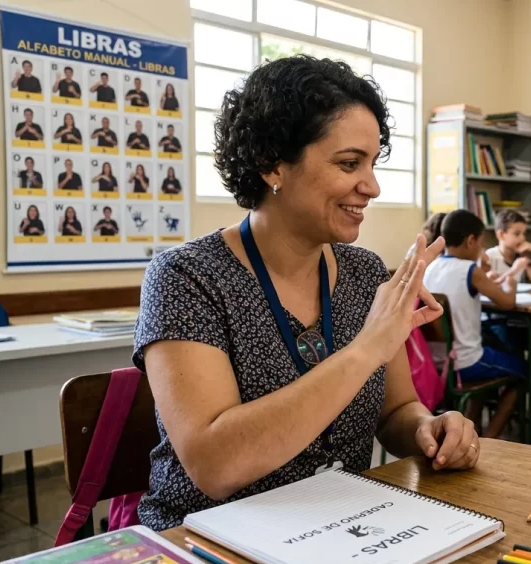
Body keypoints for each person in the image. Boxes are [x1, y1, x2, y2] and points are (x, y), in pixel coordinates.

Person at [134, 55, 477, 531]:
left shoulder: (363, 273)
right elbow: (215, 466)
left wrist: (427, 428)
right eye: (349, 163)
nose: (372, 186)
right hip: (207, 538)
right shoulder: (188, 277)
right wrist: (365, 350)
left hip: (340, 528)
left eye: (373, 163)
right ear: (272, 163)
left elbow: (396, 410)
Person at [422, 209, 525, 439]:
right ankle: (490, 438)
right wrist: (512, 282)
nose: (481, 248)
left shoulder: (430, 267)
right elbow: (507, 302)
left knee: (490, 359)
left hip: (436, 361)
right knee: (524, 371)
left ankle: (473, 427)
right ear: (470, 240)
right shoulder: (469, 269)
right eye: (480, 243)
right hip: (466, 361)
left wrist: (483, 272)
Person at [484, 209, 531, 283]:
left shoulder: (521, 256)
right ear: (501, 235)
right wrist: (514, 269)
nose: (522, 238)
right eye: (517, 234)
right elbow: (490, 285)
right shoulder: (489, 256)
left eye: (524, 233)